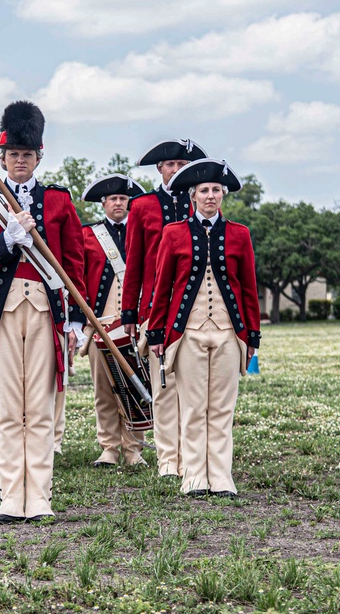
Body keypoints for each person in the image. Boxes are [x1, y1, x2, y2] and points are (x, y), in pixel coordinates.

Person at [0, 100, 86, 523]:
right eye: (13, 155)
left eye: (27, 155)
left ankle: (39, 497)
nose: (20, 161)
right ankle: (9, 496)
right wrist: (7, 239)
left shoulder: (56, 201)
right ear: (1, 158)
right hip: (1, 315)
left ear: (39, 157)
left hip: (43, 311)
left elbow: (74, 263)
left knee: (38, 408)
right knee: (7, 407)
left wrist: (75, 321)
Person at [147, 159, 260, 497]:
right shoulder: (174, 233)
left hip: (228, 331)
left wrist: (252, 335)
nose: (211, 196)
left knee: (223, 408)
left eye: (216, 191)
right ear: (193, 195)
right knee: (194, 406)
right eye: (204, 191)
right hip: (189, 331)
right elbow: (162, 286)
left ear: (222, 195)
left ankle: (221, 476)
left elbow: (249, 287)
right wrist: (156, 334)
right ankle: (194, 475)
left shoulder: (240, 234)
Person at [121, 139, 206, 478]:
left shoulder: (199, 203)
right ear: (160, 168)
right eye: (171, 164)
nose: (176, 170)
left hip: (193, 309)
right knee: (164, 387)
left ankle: (193, 454)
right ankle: (169, 460)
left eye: (182, 164)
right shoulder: (142, 207)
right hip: (155, 308)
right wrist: (130, 311)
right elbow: (134, 262)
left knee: (194, 385)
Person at [79, 173, 146, 468]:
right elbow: (78, 278)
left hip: (134, 324)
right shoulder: (88, 235)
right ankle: (109, 447)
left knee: (137, 386)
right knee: (104, 388)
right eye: (112, 199)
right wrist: (80, 321)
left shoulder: (141, 233)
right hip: (100, 322)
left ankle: (134, 449)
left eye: (122, 198)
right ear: (103, 203)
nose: (118, 203)